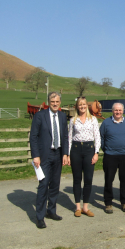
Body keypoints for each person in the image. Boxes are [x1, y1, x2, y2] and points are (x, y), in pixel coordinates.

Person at [29, 92, 69, 229]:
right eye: (53, 101)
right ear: (48, 102)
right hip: (44, 156)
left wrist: (65, 153)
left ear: (60, 102)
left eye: (57, 101)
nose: (55, 104)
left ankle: (51, 211)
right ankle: (39, 217)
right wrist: (35, 155)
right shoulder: (40, 116)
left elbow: (65, 136)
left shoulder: (63, 116)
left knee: (55, 185)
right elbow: (33, 136)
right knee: (43, 184)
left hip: (58, 154)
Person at [67, 96, 101, 218]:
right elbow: (69, 138)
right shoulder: (73, 121)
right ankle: (77, 207)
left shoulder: (93, 120)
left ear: (87, 106)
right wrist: (69, 154)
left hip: (89, 150)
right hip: (76, 150)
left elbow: (97, 137)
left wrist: (96, 153)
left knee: (88, 179)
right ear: (77, 106)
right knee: (77, 179)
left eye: (84, 104)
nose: (82, 106)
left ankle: (85, 207)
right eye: (80, 104)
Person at [100, 103, 125, 214]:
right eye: (116, 110)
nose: (118, 112)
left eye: (120, 110)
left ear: (123, 111)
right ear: (112, 111)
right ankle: (108, 203)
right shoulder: (106, 123)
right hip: (110, 156)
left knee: (124, 180)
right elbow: (102, 138)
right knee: (109, 180)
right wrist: (107, 150)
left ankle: (124, 202)